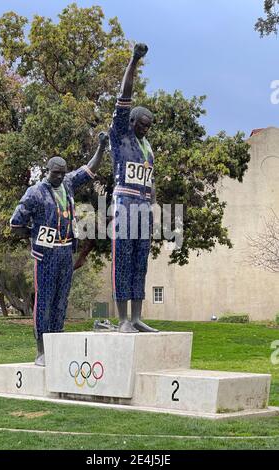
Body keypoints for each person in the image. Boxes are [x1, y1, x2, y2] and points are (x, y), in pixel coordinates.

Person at [10, 132, 108, 365]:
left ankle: (57, 345)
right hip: (46, 254)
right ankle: (42, 350)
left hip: (66, 252)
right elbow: (15, 223)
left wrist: (102, 147)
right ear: (47, 171)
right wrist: (34, 236)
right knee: (44, 301)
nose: (60, 176)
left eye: (63, 172)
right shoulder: (35, 192)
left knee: (61, 301)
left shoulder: (68, 184)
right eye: (56, 172)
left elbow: (89, 169)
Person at [109, 43, 158, 333]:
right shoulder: (121, 136)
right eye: (141, 125)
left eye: (148, 126)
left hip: (144, 207)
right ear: (131, 122)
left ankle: (137, 317)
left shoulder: (147, 147)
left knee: (141, 260)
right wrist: (134, 60)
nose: (145, 129)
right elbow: (124, 96)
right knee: (123, 260)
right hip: (123, 204)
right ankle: (123, 319)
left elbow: (150, 181)